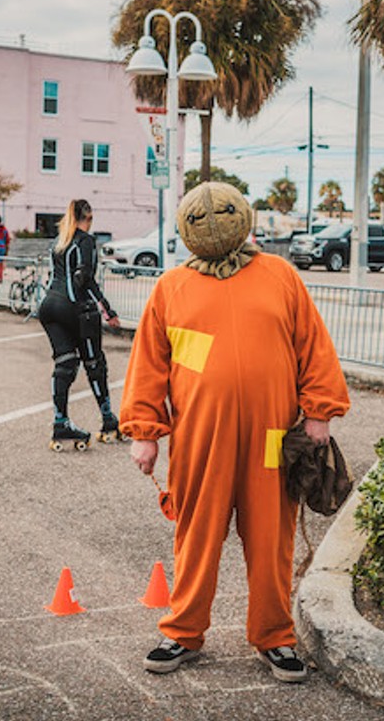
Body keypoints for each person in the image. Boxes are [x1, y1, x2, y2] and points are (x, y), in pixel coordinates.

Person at [121, 182, 350, 684]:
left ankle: (275, 636)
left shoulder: (280, 275)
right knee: (195, 535)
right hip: (199, 439)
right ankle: (183, 630)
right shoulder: (170, 287)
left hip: (273, 436)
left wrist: (320, 412)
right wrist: (144, 431)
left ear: (243, 219)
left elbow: (313, 345)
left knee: (272, 539)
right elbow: (148, 367)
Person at [38, 199, 121, 450]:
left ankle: (60, 423)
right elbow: (84, 278)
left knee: (65, 364)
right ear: (88, 217)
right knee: (94, 363)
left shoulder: (59, 241)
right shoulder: (85, 241)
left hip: (49, 306)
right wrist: (107, 309)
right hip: (76, 308)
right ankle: (108, 420)